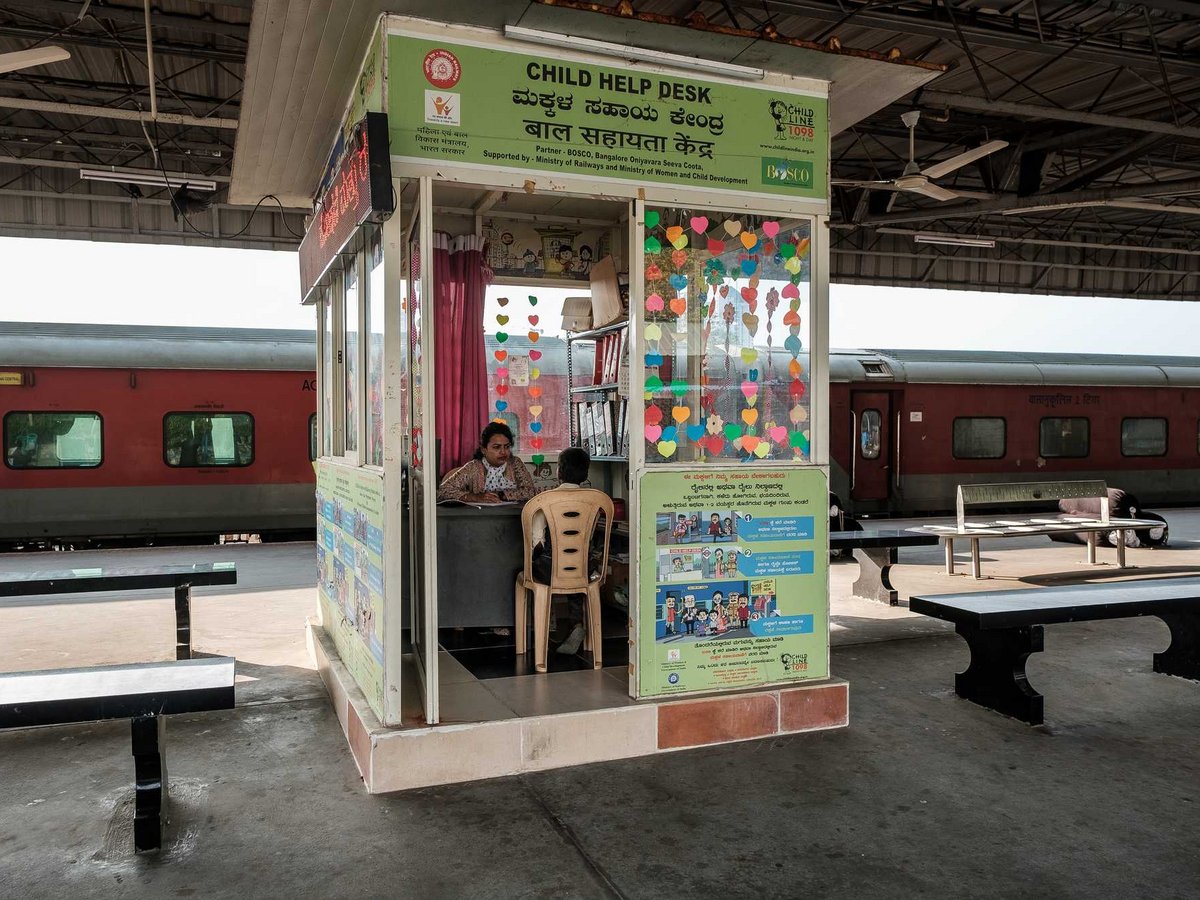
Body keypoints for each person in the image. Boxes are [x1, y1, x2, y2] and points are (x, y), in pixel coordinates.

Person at [529, 446, 593, 584]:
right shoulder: (593, 502)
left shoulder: (544, 500)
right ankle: (576, 601)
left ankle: (543, 604)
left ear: (559, 472)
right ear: (586, 474)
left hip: (550, 570)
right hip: (585, 568)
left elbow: (538, 542)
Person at [437, 422, 537, 504]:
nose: (503, 452)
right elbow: (443, 491)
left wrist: (501, 494)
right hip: (481, 519)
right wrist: (475, 497)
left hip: (513, 518)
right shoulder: (474, 467)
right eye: (497, 447)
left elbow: (530, 491)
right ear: (484, 449)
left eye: (507, 446)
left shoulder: (515, 463)